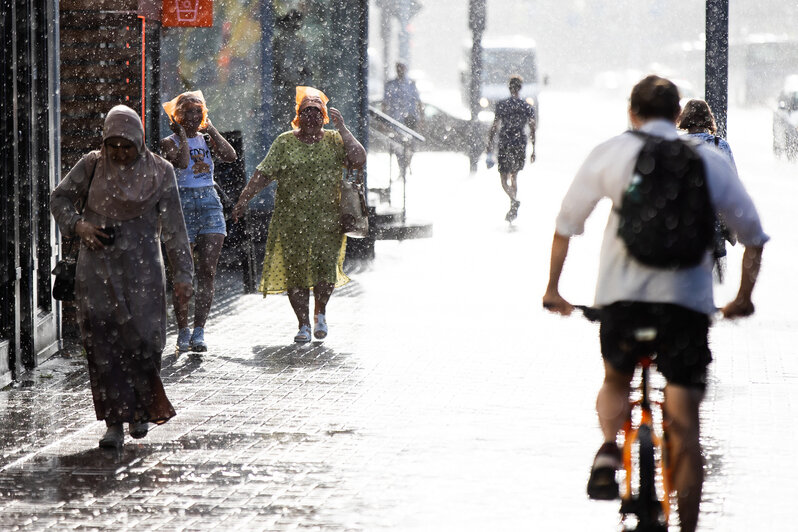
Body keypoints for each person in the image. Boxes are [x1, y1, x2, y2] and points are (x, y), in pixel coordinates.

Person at [542, 75, 768, 532]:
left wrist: (554, 290)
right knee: (685, 425)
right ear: (676, 114)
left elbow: (566, 223)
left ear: (632, 112)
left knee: (615, 377)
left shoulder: (612, 152)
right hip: (685, 306)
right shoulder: (707, 159)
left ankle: (610, 446)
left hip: (622, 302)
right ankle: (686, 526)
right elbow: (753, 236)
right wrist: (743, 298)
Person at [50, 105, 194, 449]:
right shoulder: (92, 165)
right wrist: (78, 225)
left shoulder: (161, 172)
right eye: (113, 145)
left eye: (126, 146)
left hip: (144, 273)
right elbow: (59, 199)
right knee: (103, 346)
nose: (119, 153)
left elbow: (174, 229)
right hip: (97, 273)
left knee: (146, 341)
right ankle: (113, 423)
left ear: (140, 141)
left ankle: (142, 409)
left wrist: (184, 276)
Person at [232, 86, 366, 343]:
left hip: (329, 220)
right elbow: (264, 173)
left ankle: (321, 314)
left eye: (318, 112)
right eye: (307, 112)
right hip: (292, 219)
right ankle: (303, 324)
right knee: (296, 272)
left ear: (325, 116)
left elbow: (359, 159)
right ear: (298, 116)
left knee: (325, 270)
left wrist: (343, 129)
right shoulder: (284, 141)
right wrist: (244, 199)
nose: (312, 117)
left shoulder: (335, 140)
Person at [160, 90, 237, 353]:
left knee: (207, 271)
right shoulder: (168, 142)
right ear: (178, 116)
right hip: (181, 204)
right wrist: (182, 135)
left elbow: (231, 155)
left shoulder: (206, 139)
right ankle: (182, 330)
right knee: (183, 272)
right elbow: (182, 163)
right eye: (188, 112)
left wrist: (212, 130)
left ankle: (199, 331)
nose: (193, 117)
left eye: (198, 111)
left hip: (209, 202)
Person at [677, 98, 739, 279]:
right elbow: (732, 186)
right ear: (709, 119)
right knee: (717, 279)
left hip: (682, 223)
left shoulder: (675, 146)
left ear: (684, 118)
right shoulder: (721, 146)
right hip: (714, 224)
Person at [486, 75, 536, 222]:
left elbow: (495, 126)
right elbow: (532, 128)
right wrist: (534, 149)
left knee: (503, 178)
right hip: (519, 143)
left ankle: (513, 199)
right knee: (514, 175)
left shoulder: (502, 105)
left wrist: (489, 144)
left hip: (505, 142)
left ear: (509, 88)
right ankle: (512, 203)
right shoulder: (526, 106)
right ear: (520, 88)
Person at [382, 62, 423, 172]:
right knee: (398, 145)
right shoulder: (391, 85)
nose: (400, 71)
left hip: (410, 118)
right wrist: (384, 121)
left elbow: (418, 102)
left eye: (402, 68)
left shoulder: (411, 84)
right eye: (399, 68)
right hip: (395, 120)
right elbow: (385, 103)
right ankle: (402, 168)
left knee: (411, 144)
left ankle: (406, 165)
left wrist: (421, 118)